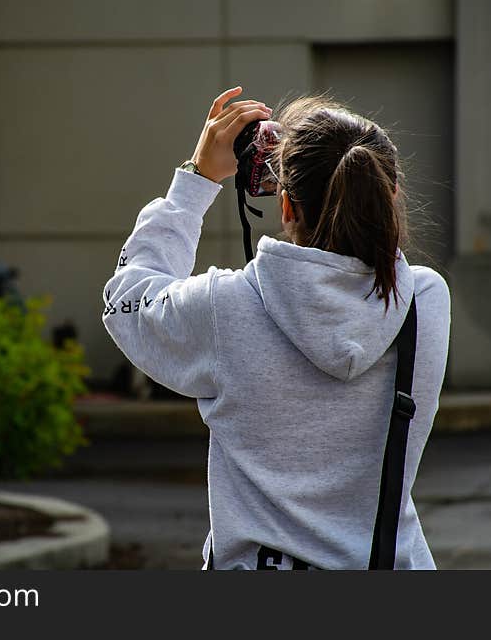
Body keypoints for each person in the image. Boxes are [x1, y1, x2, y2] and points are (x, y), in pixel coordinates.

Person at [101, 87, 450, 570]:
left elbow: (127, 303)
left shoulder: (226, 307)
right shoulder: (424, 301)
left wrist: (195, 181)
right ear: (389, 198)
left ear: (286, 208)